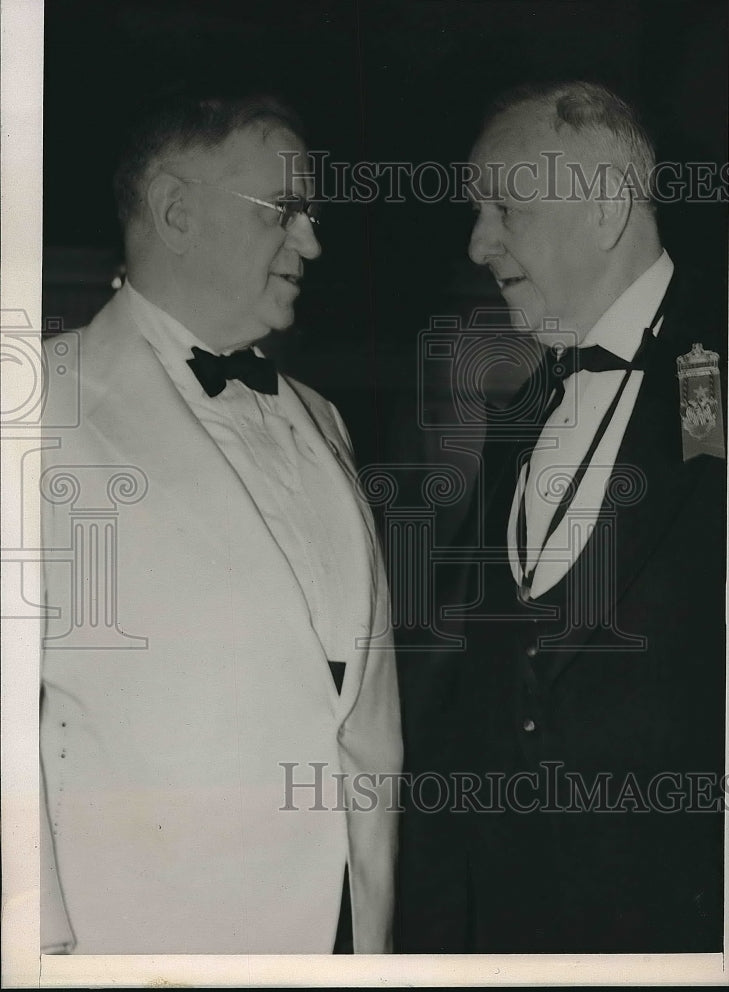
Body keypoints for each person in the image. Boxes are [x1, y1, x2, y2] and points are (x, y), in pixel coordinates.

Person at [40, 93, 402, 955]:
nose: (311, 241)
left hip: (349, 924)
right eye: (285, 211)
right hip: (138, 943)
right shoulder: (34, 405)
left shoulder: (322, 417)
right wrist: (41, 948)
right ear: (175, 212)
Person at [398, 80, 725, 952]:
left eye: (506, 206)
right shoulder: (519, 419)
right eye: (476, 212)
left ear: (608, 206)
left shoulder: (717, 376)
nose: (478, 242)